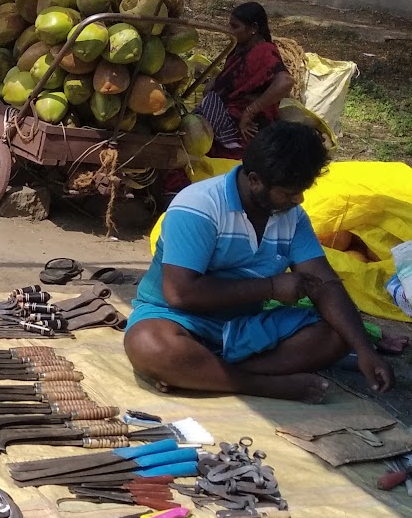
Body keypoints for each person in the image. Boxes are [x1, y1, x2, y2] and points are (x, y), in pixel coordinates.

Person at [124, 121, 392, 403]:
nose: (298, 199)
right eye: (288, 192)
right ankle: (259, 384)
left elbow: (324, 283)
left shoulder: (293, 216)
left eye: (301, 190)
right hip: (175, 318)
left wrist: (364, 350)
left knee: (337, 334)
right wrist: (272, 287)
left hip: (244, 325)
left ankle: (201, 373)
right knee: (147, 344)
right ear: (255, 180)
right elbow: (180, 294)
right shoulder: (198, 206)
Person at [200, 1, 293, 154]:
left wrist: (250, 111)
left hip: (243, 125)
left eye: (235, 27)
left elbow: (286, 81)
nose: (230, 31)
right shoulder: (240, 48)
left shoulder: (264, 51)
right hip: (225, 112)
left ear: (254, 29)